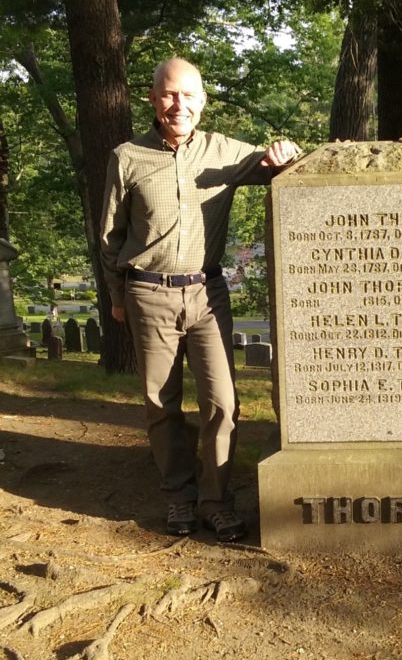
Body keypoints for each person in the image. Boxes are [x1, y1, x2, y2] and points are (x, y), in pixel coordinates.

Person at [100, 57, 300, 541]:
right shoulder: (127, 156)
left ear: (202, 102)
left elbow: (284, 169)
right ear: (153, 99)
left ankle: (216, 501)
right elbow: (110, 234)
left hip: (208, 293)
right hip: (148, 292)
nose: (179, 105)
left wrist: (288, 152)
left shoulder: (226, 153)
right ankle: (179, 499)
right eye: (169, 94)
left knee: (223, 403)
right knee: (161, 404)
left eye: (188, 95)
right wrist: (117, 297)